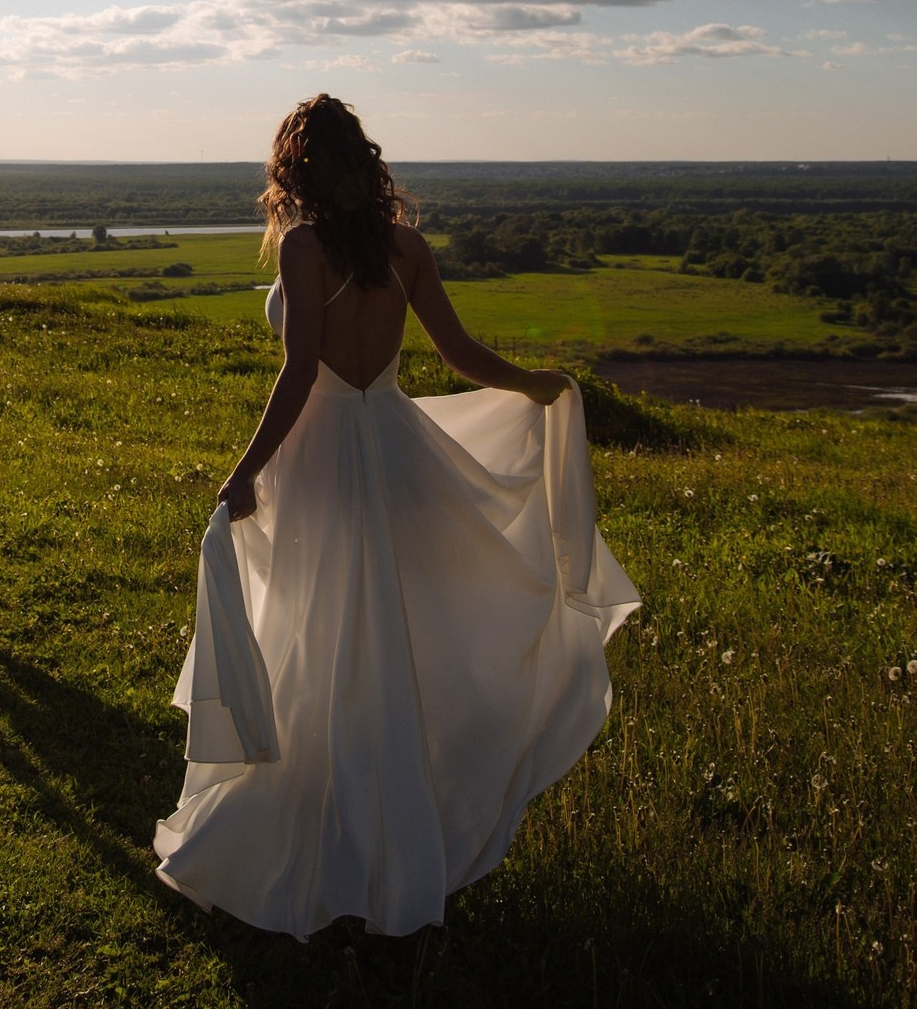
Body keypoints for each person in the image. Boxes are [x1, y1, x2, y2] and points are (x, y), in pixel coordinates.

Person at [154, 94, 639, 938]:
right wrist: (535, 385)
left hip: (324, 457)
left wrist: (244, 471)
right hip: (396, 448)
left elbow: (301, 370)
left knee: (317, 626)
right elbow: (458, 353)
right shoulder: (405, 247)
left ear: (294, 169)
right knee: (385, 632)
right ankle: (395, 831)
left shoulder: (304, 248)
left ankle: (321, 823)